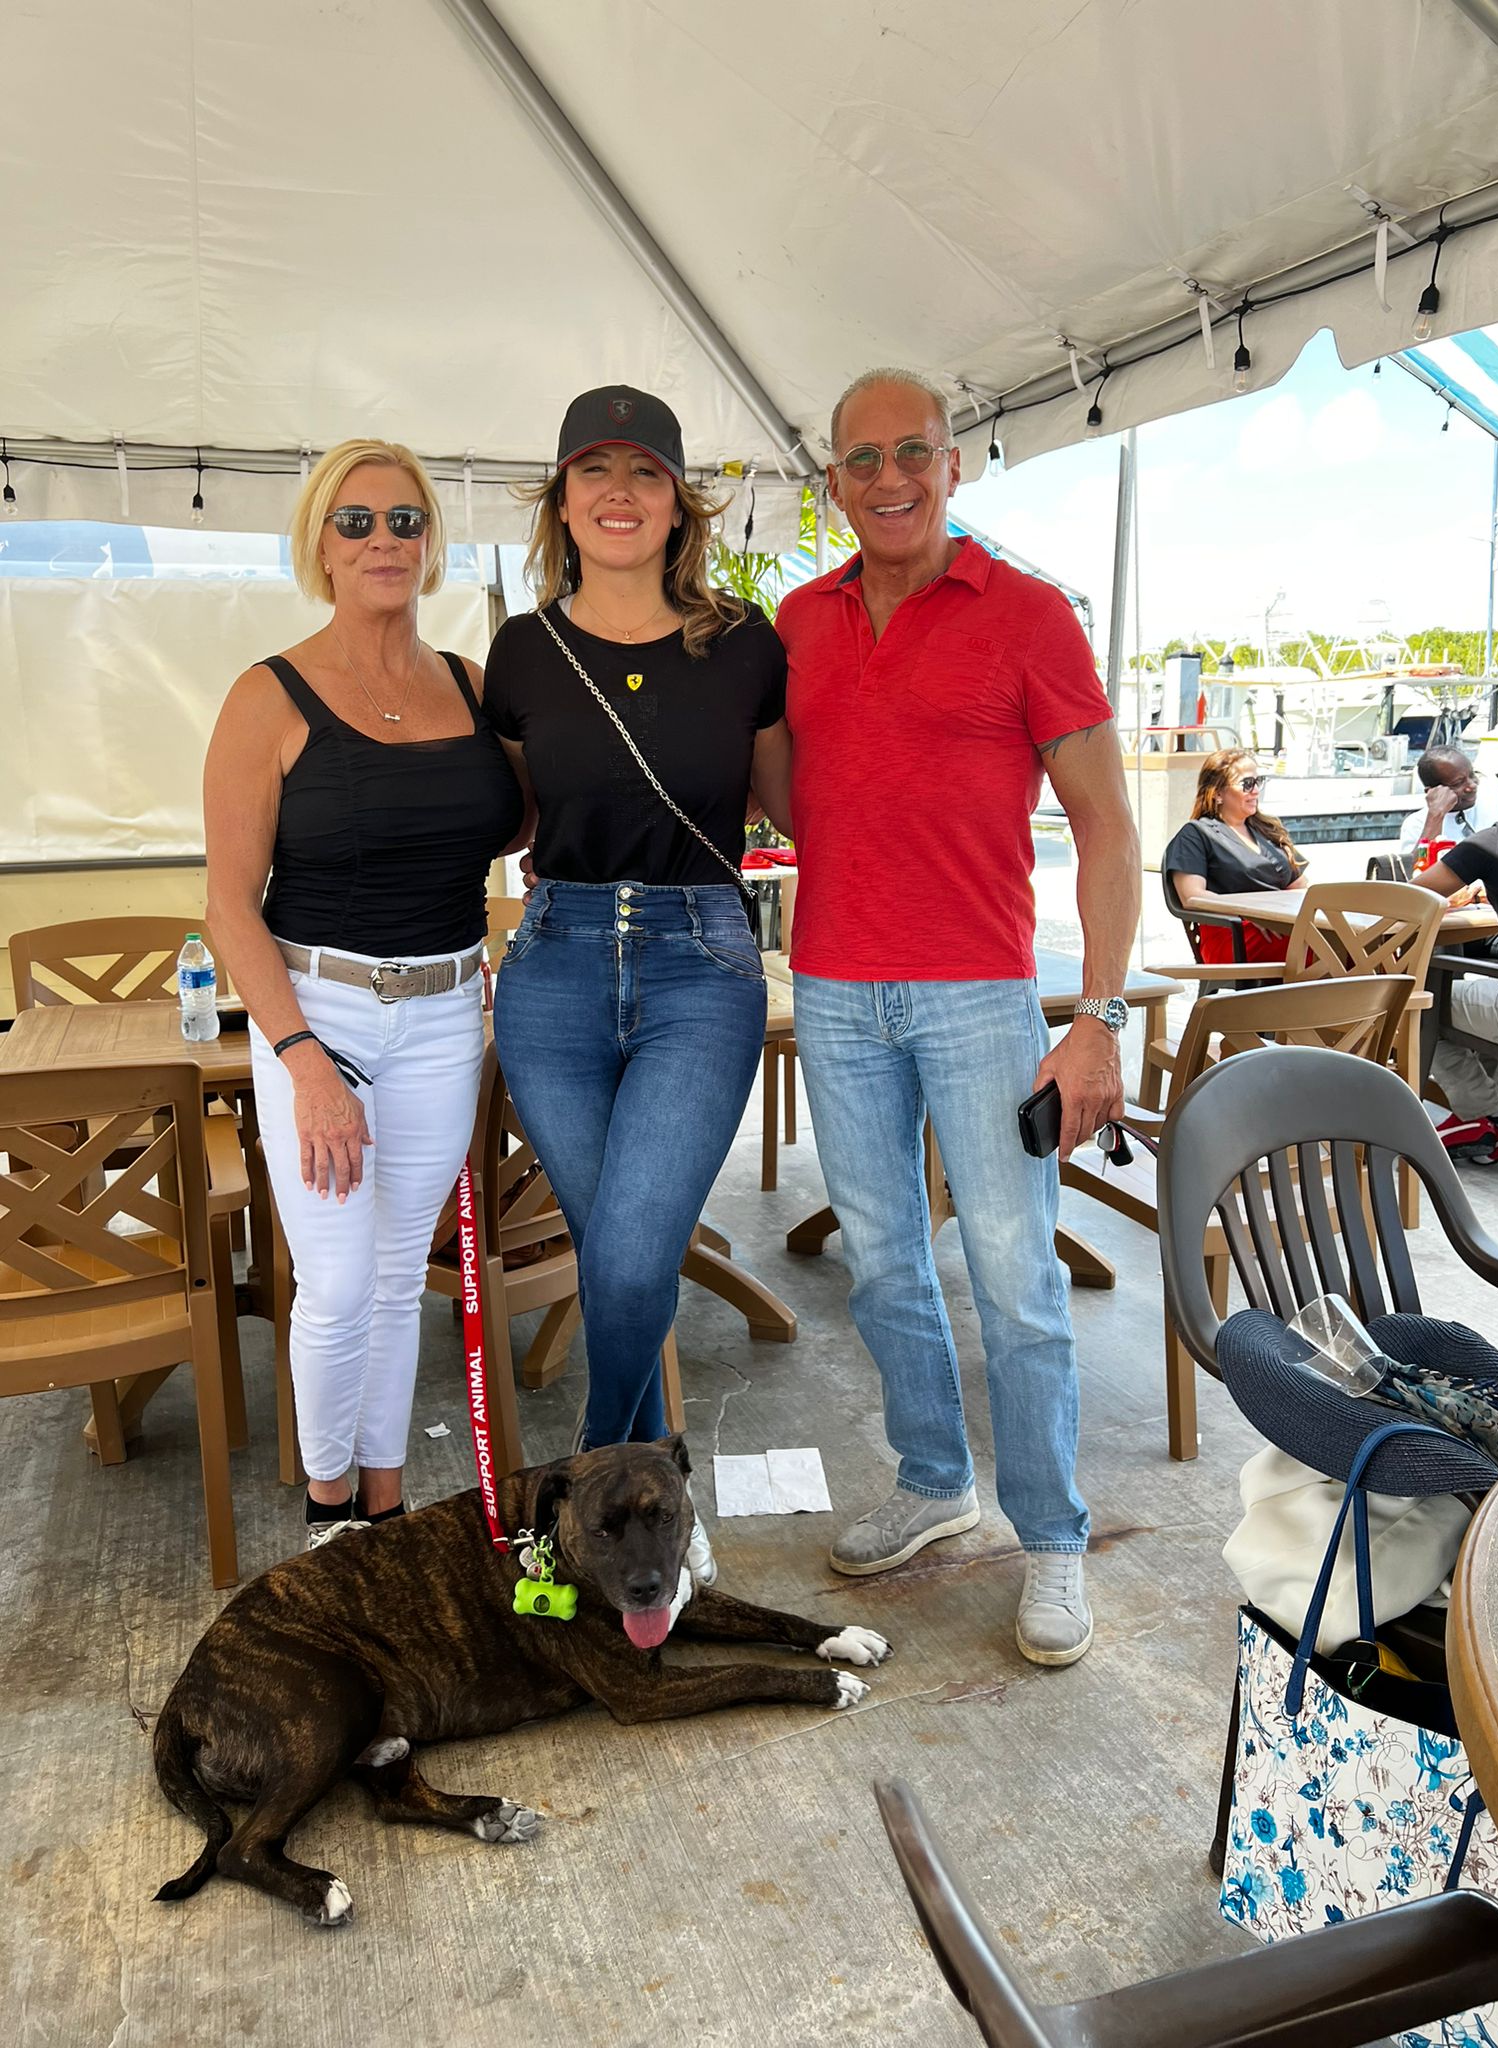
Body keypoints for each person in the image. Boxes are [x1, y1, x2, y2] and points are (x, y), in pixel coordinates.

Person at [776, 368, 1140, 1667]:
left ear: (954, 461)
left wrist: (1098, 1017)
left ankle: (1051, 1534)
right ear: (834, 479)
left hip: (980, 996)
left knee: (1016, 1278)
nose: (890, 478)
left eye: (913, 452)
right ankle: (936, 1480)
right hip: (833, 988)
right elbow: (783, 791)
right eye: (863, 458)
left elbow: (1109, 830)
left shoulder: (1029, 613)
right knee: (881, 1264)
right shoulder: (799, 622)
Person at [483, 386, 790, 1584]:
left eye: (645, 470)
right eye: (594, 470)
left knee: (622, 1265)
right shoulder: (521, 649)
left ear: (678, 502)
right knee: (623, 1253)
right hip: (554, 965)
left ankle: (574, 1507)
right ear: (561, 500)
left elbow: (797, 803)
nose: (619, 491)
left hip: (698, 961)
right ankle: (648, 1515)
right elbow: (510, 815)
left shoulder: (745, 643)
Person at [205, 439, 526, 1547]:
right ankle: (326, 1511)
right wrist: (302, 1062)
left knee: (396, 1279)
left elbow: (523, 822)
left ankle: (384, 1507)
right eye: (356, 522)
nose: (383, 540)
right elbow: (229, 906)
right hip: (319, 1016)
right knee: (337, 1283)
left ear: (431, 541)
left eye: (404, 520)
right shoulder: (268, 695)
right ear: (321, 545)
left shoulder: (473, 686)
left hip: (444, 1015)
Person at [1413, 727, 1498, 1165]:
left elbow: (1411, 897)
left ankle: (1494, 1114)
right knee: (1484, 991)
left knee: (1419, 1002)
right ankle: (1491, 1117)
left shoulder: (1497, 840)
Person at [1163, 749, 1307, 964]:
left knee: (1353, 941)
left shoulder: (1268, 831)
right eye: (1247, 784)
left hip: (1280, 927)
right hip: (1233, 933)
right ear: (1217, 793)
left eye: (1258, 781)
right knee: (1334, 949)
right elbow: (1192, 897)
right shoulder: (1197, 834)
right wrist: (1251, 912)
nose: (1256, 790)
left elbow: (1300, 887)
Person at [1395, 744, 1493, 859]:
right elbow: (1418, 863)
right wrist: (1435, 817)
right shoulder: (1416, 824)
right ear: (1433, 791)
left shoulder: (1493, 806)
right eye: (1458, 783)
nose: (1472, 785)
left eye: (1472, 775)